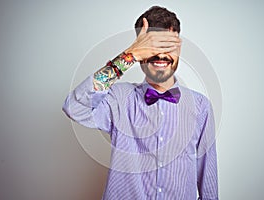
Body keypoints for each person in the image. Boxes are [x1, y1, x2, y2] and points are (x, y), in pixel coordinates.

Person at [63, 6, 218, 200]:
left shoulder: (201, 106)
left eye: (168, 46)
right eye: (152, 47)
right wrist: (128, 56)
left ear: (179, 47)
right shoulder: (118, 98)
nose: (160, 55)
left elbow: (208, 179)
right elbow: (75, 107)